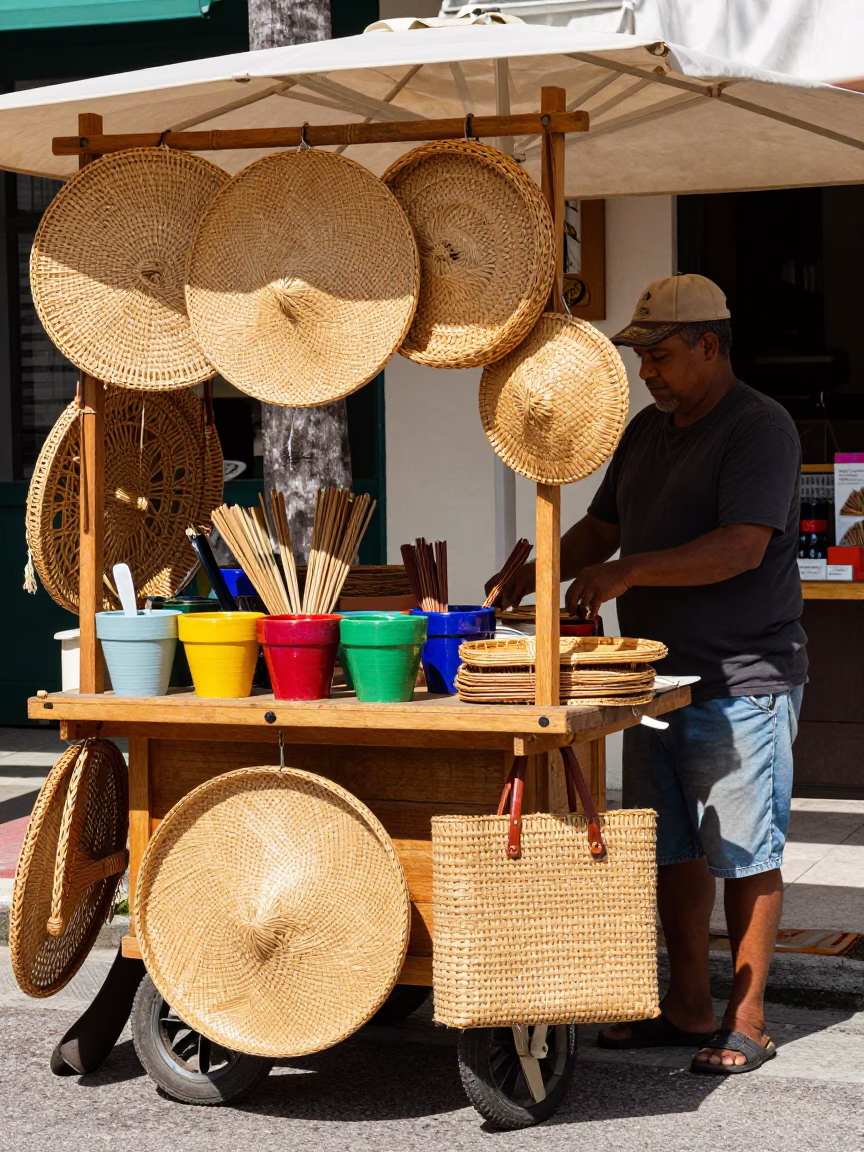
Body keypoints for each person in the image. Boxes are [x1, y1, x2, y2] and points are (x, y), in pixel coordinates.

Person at [486, 274, 806, 1075]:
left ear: (709, 346)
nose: (648, 373)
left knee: (744, 849)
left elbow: (742, 545)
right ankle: (688, 1007)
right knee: (671, 851)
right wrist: (538, 571)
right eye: (641, 359)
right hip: (651, 682)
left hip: (742, 674)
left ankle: (750, 1018)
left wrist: (630, 574)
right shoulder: (644, 432)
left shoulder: (758, 428)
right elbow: (602, 525)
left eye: (660, 356)